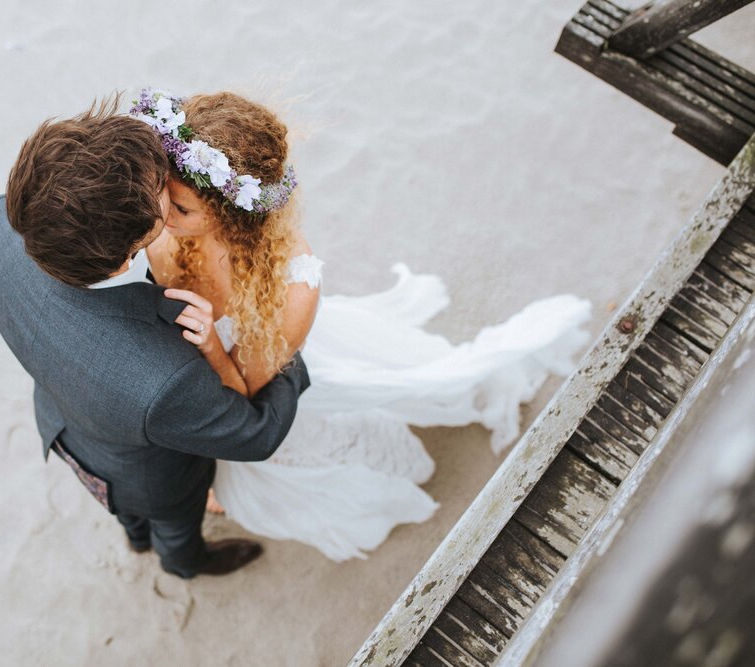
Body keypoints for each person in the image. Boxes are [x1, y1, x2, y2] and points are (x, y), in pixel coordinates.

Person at [135, 89, 593, 561]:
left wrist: (210, 343)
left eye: (180, 208)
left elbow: (243, 399)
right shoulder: (165, 222)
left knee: (304, 444)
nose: (159, 214)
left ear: (230, 215)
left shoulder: (291, 287)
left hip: (251, 374)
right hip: (189, 375)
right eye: (161, 195)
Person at [0, 96, 310, 579]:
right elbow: (256, 433)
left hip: (62, 423)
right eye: (161, 195)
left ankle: (133, 536)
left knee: (127, 515)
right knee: (174, 526)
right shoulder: (166, 378)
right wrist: (292, 357)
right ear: (126, 257)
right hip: (151, 476)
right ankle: (184, 563)